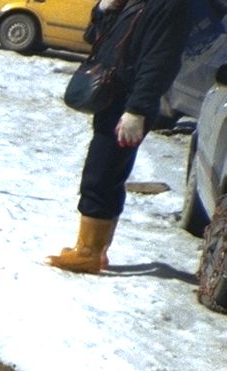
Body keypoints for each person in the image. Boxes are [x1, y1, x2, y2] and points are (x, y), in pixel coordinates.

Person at [46, 0, 188, 273]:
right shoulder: (130, 3)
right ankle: (94, 250)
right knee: (107, 173)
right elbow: (94, 39)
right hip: (113, 99)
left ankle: (88, 252)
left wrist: (137, 110)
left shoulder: (169, 6)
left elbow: (160, 62)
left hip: (129, 104)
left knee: (101, 174)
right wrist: (104, 8)